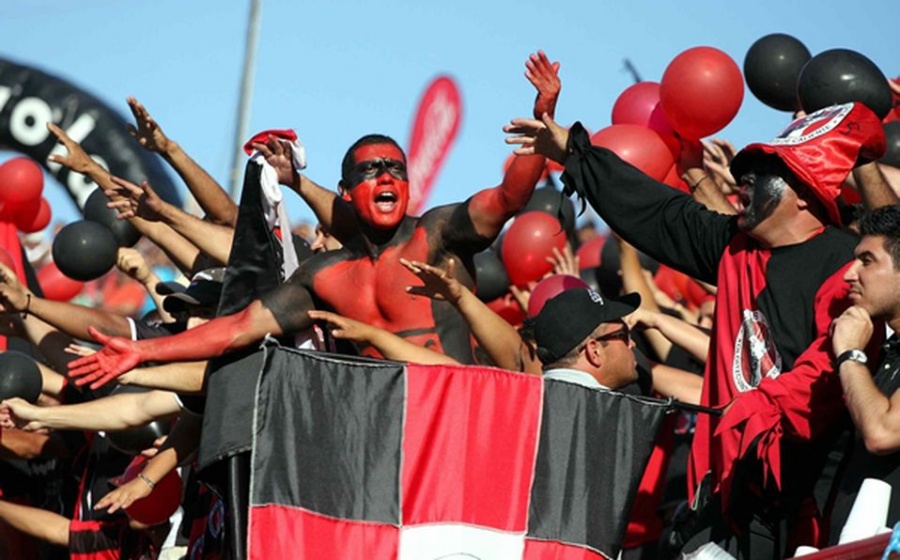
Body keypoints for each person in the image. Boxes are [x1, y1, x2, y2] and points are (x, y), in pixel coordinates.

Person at [505, 101, 886, 557]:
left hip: (802, 504)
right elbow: (655, 211)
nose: (744, 182)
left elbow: (828, 372)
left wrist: (750, 412)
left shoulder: (845, 267)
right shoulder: (735, 247)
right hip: (722, 496)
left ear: (804, 192)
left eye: (763, 172)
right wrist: (575, 152)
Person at [68, 51, 561, 387]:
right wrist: (143, 352)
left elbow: (510, 195)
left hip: (459, 411)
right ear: (346, 192)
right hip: (381, 436)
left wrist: (542, 121)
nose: (386, 175)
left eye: (396, 168)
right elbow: (237, 327)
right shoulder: (324, 276)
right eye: (371, 170)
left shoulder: (436, 234)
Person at [829, 205, 900, 542]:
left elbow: (882, 433)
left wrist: (850, 354)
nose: (849, 274)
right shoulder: (888, 351)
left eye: (867, 261)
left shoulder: (859, 351)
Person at [533, 287, 640, 390]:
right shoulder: (611, 408)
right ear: (595, 351)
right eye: (624, 335)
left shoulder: (526, 402)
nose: (632, 344)